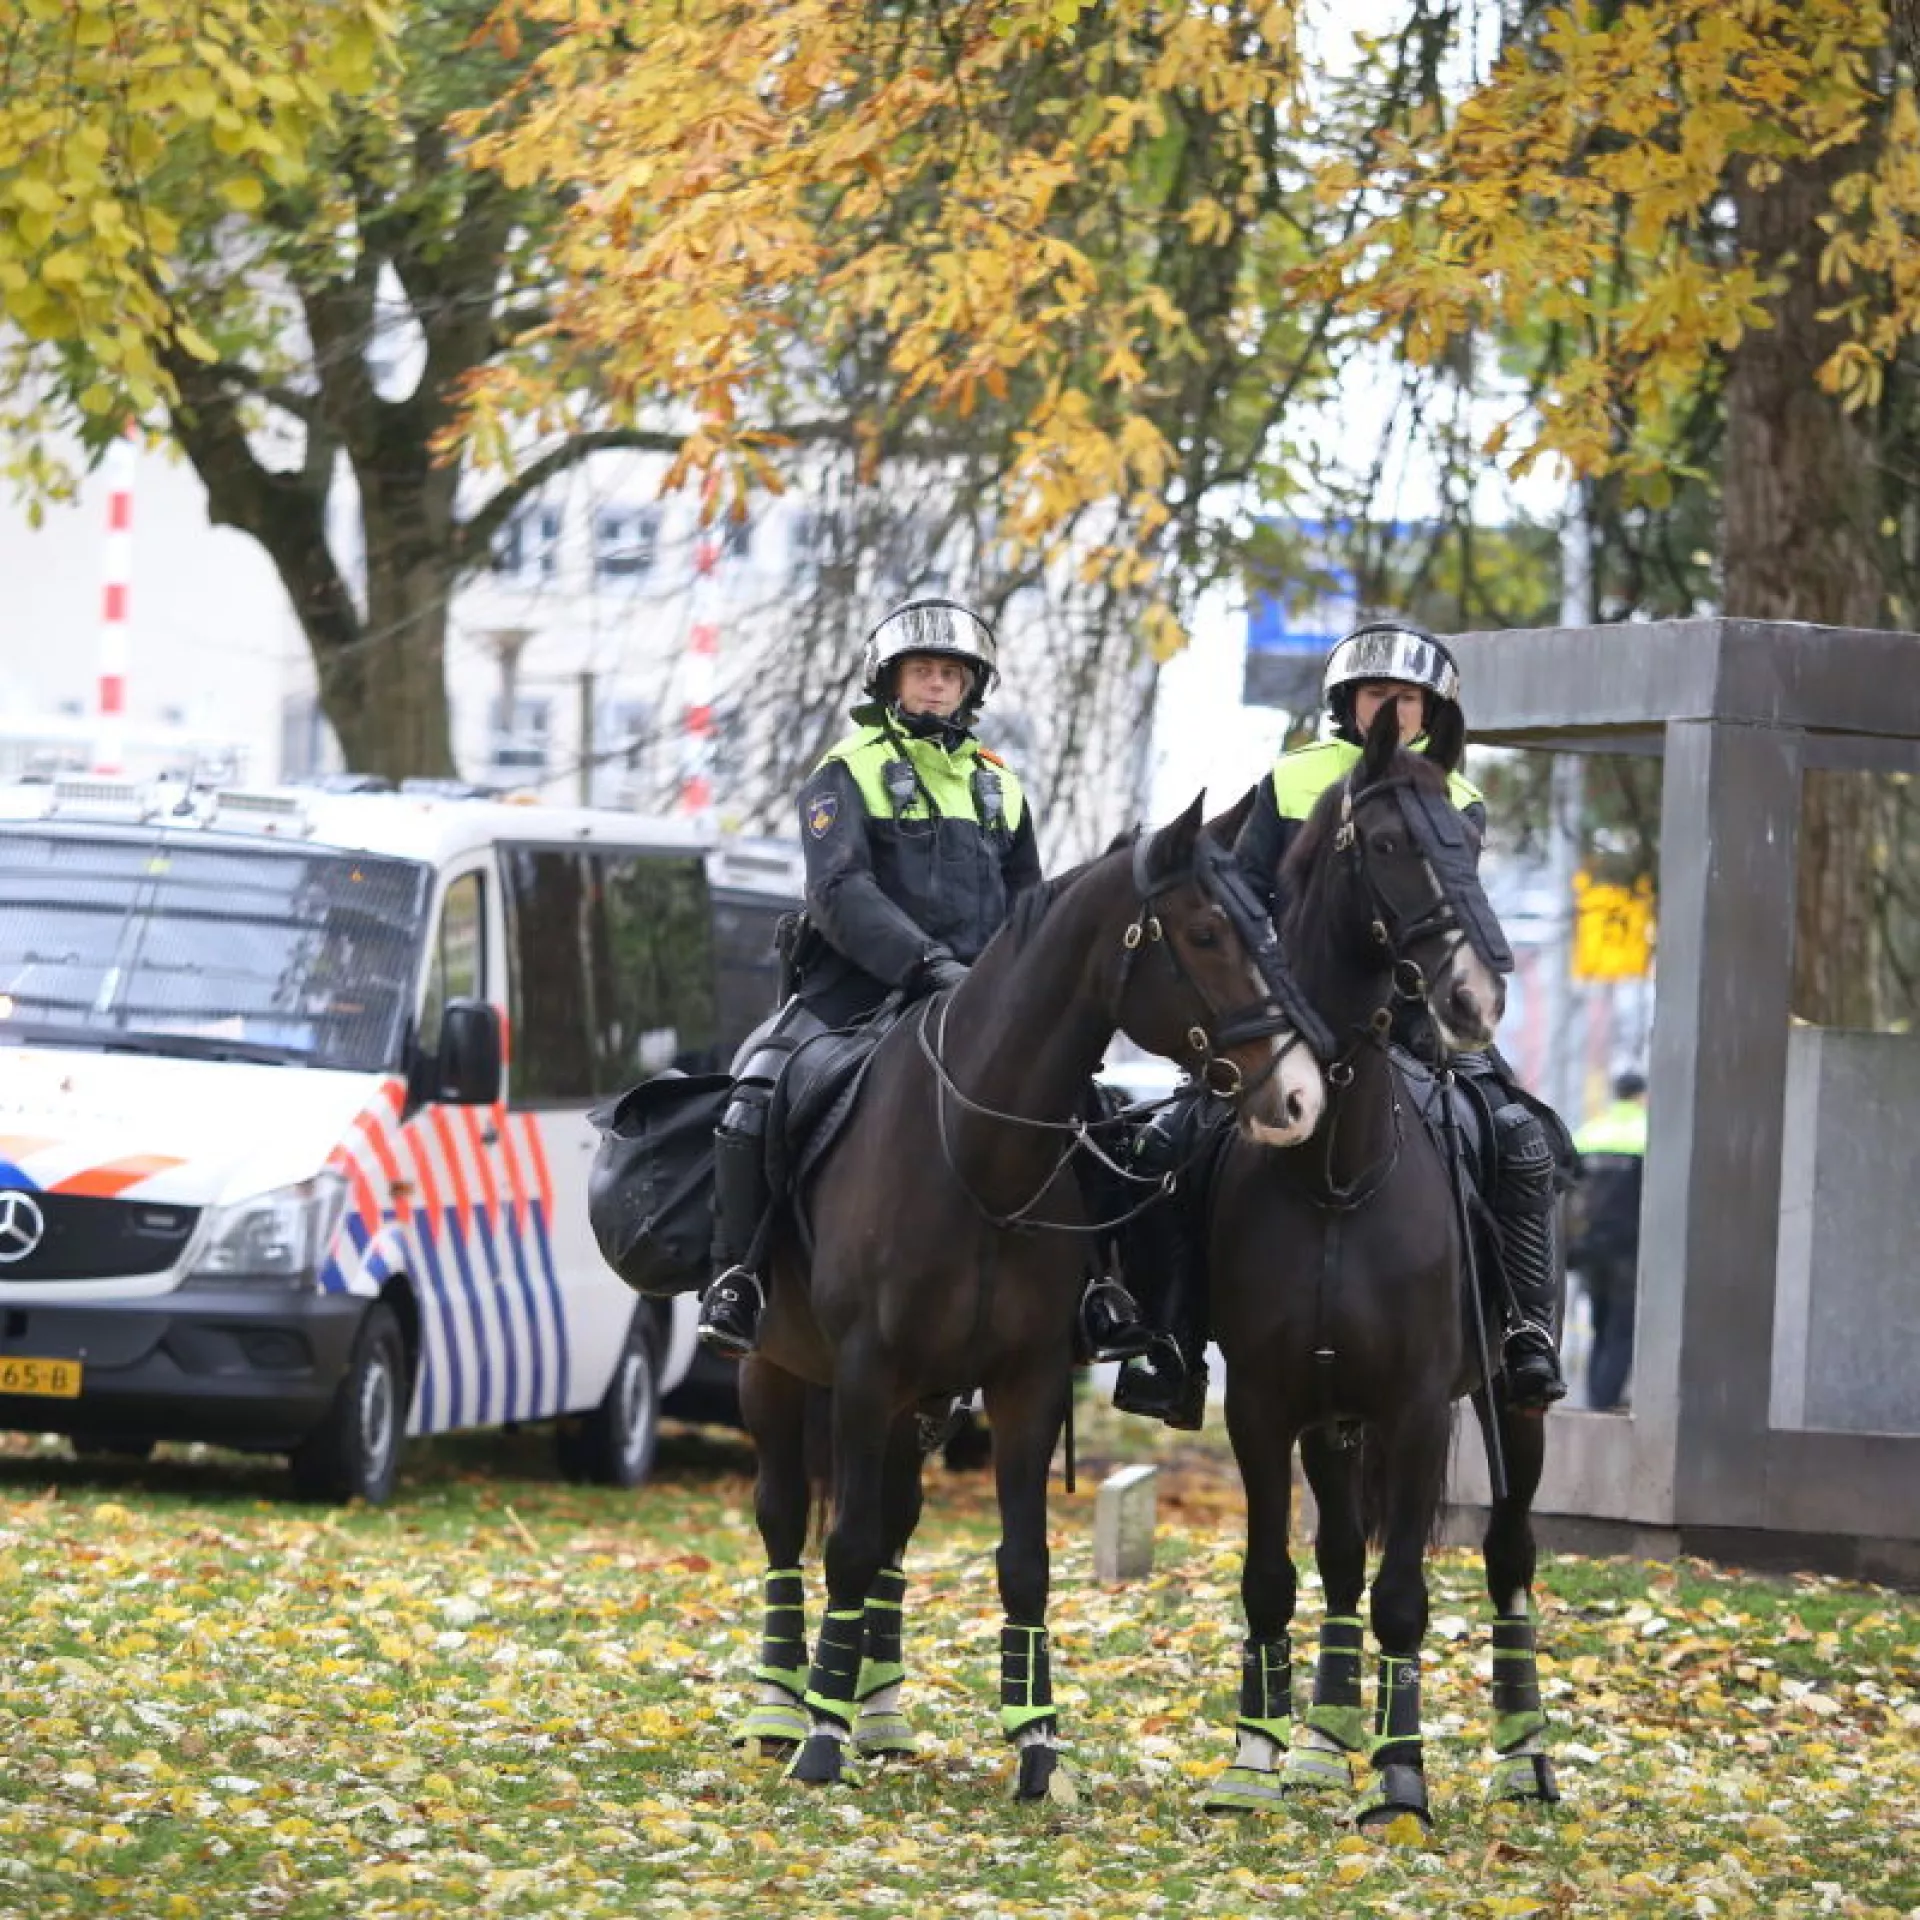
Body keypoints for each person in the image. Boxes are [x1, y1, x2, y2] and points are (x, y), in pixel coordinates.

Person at [1113, 617, 1572, 1426]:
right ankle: (1171, 1339)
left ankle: (1527, 1334)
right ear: (1346, 704)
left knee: (1521, 1141)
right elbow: (1244, 893)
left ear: (1431, 712)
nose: (1392, 711)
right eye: (1376, 695)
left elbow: (1454, 912)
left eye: (1409, 698)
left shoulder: (1454, 795)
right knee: (1171, 1141)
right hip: (1294, 1028)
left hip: (1415, 1031)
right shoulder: (1292, 780)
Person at [696, 596, 1145, 1363]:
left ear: (972, 688)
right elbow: (838, 891)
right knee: (756, 1093)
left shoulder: (1002, 786)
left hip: (981, 998)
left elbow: (1025, 907)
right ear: (890, 680)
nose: (937, 685)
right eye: (922, 671)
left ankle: (1101, 1290)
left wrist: (1012, 989)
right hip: (854, 995)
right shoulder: (845, 771)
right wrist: (924, 963)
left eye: (951, 674)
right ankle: (738, 1276)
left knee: (1089, 1108)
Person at [1570, 1070, 1648, 1412]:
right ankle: (1603, 1406)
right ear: (1641, 1096)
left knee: (1598, 1328)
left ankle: (1594, 1402)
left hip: (1588, 1249)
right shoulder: (1649, 1134)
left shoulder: (1589, 1133)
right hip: (1628, 1251)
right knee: (1620, 1332)